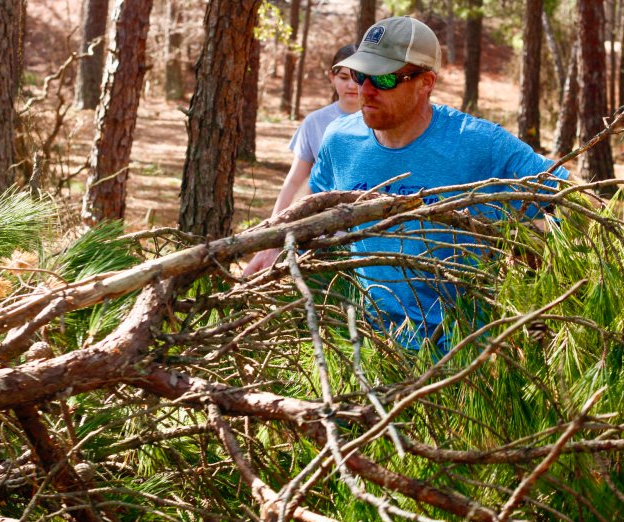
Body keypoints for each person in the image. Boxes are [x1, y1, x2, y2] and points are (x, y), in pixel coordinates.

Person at [307, 16, 569, 348]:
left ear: (426, 82)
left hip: (461, 356)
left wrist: (525, 246)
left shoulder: (480, 144)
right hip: (371, 351)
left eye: (384, 79)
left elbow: (577, 203)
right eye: (360, 75)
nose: (365, 90)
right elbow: (316, 209)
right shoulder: (339, 140)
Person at [243, 44, 360, 275]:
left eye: (359, 78)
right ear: (331, 77)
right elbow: (294, 181)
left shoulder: (382, 121)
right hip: (319, 238)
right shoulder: (315, 122)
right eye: (344, 77)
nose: (351, 85)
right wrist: (272, 238)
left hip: (367, 237)